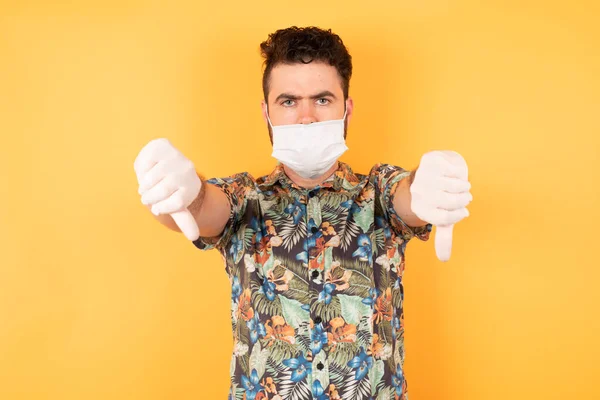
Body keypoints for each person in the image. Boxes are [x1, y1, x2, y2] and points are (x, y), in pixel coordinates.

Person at [134, 26, 472, 400]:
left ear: (347, 109)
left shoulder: (378, 193)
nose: (307, 117)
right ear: (267, 113)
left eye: (323, 100)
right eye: (289, 101)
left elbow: (407, 198)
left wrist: (427, 186)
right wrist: (183, 192)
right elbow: (204, 208)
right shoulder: (244, 197)